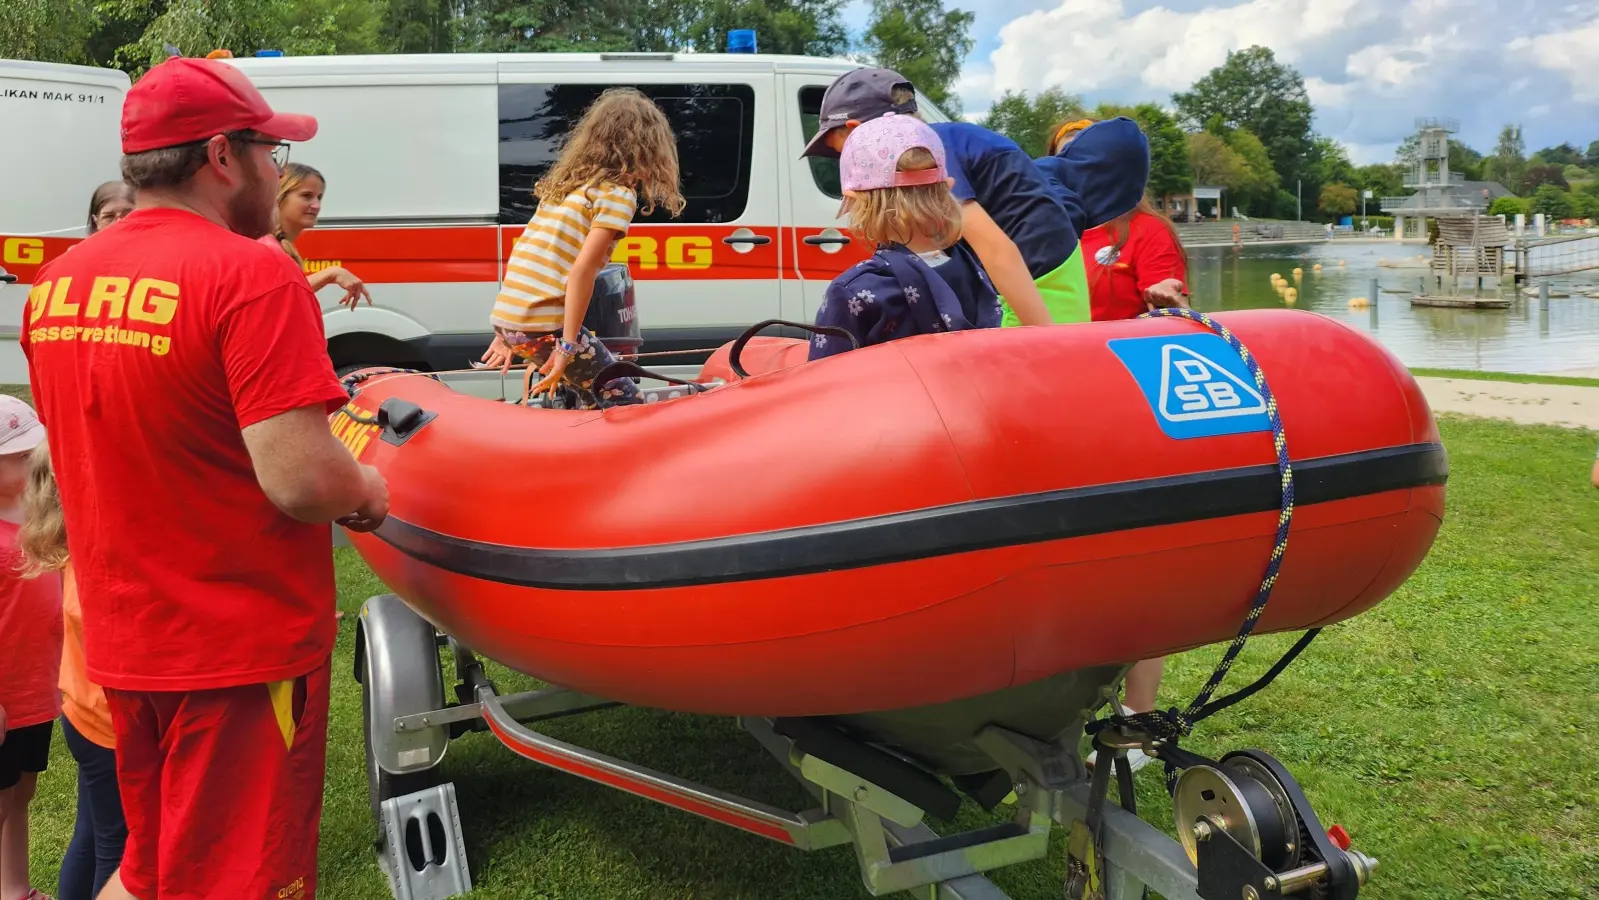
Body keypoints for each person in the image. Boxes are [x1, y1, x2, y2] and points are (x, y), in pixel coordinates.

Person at [21, 56, 389, 900]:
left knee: (151, 868)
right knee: (235, 878)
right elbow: (303, 480)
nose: (278, 170)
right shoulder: (253, 273)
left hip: (121, 638)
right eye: (270, 152)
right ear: (222, 157)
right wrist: (369, 493)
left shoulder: (56, 286)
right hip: (234, 647)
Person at [800, 68, 1148, 328]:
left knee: (1032, 379)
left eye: (840, 153)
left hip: (1038, 277)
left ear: (858, 132)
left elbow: (996, 249)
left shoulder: (927, 152)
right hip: (1035, 264)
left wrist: (1049, 339)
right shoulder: (941, 140)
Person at [481, 87, 684, 407]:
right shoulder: (618, 193)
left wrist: (508, 332)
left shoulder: (567, 186)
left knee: (586, 393)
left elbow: (527, 253)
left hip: (511, 317)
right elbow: (582, 271)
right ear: (649, 146)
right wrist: (567, 346)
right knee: (623, 395)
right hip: (541, 325)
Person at [18, 441, 123, 900]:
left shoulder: (72, 545)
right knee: (117, 851)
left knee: (93, 833)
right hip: (107, 726)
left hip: (83, 715)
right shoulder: (97, 565)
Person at [809, 114, 1000, 360]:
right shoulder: (973, 270)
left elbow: (822, 385)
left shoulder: (851, 291)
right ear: (947, 188)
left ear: (855, 200)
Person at [0, 396, 63, 900]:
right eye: (21, 457)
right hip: (4, 697)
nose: (35, 461)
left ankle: (14, 888)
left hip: (34, 692)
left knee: (21, 792)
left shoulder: (35, 521)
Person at [263, 162, 371, 309]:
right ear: (279, 196)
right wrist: (331, 273)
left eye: (319, 197)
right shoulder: (266, 247)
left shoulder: (276, 245)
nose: (316, 206)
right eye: (306, 196)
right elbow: (280, 296)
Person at [1080, 196, 1190, 320]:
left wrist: (1167, 299)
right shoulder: (1058, 233)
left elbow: (1172, 319)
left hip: (1118, 338)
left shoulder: (1148, 229)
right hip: (1061, 338)